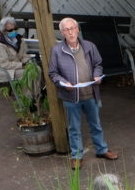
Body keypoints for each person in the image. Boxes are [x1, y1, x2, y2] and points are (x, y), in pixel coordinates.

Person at [48, 17, 119, 171]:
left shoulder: (89, 46)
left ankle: (101, 150)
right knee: (74, 127)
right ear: (62, 33)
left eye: (72, 28)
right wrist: (63, 83)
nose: (70, 32)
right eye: (66, 30)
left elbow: (98, 64)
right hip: (70, 96)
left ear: (78, 29)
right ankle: (76, 156)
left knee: (96, 124)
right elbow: (53, 73)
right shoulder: (57, 50)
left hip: (90, 92)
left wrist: (97, 76)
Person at [0, 16, 35, 82]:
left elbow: (25, 55)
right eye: (10, 30)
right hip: (4, 71)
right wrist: (22, 65)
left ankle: (36, 91)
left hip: (18, 67)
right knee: (27, 73)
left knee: (36, 69)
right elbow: (4, 65)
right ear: (3, 31)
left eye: (15, 29)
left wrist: (28, 63)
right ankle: (26, 92)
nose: (14, 31)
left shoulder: (20, 40)